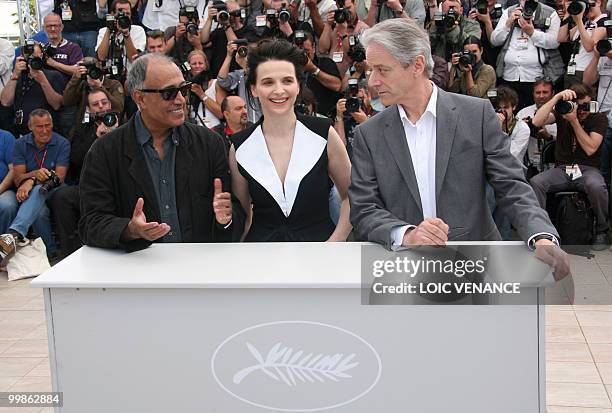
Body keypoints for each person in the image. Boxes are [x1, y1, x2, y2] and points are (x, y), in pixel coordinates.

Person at [349, 18, 570, 279]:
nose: (372, 81)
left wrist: (541, 235)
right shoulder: (368, 134)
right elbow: (364, 209)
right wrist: (408, 234)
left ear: (417, 65)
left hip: (476, 266)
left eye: (382, 70)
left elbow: (511, 184)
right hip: (402, 269)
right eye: (370, 70)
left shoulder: (476, 115)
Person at [79, 53, 243, 251]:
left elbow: (232, 211)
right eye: (169, 93)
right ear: (140, 97)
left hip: (199, 269)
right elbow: (91, 223)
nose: (180, 100)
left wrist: (225, 219)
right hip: (140, 271)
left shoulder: (209, 144)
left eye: (183, 89)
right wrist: (130, 230)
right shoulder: (104, 151)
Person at [228, 39, 352, 242]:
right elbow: (243, 216)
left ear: (298, 86)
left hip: (320, 255)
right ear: (254, 89)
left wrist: (335, 242)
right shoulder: (240, 146)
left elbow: (351, 196)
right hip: (262, 257)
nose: (279, 90)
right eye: (268, 82)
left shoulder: (323, 133)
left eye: (287, 81)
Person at [530, 83, 609, 249]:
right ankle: (541, 230)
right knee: (537, 182)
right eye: (577, 106)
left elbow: (590, 148)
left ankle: (602, 229)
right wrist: (557, 98)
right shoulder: (563, 112)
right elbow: (537, 121)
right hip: (562, 169)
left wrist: (574, 122)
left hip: (588, 169)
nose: (581, 111)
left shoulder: (598, 117)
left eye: (586, 106)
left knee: (596, 186)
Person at [52, 88, 119, 258]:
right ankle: (70, 254)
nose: (101, 107)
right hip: (91, 188)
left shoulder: (125, 126)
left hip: (119, 187)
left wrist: (115, 136)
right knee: (62, 197)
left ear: (110, 104)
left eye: (104, 102)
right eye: (96, 104)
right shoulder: (83, 130)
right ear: (89, 109)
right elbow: (76, 160)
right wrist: (96, 138)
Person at [0, 109, 70, 263]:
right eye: (39, 126)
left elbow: (59, 177)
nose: (45, 130)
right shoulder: (20, 144)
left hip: (55, 191)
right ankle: (51, 252)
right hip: (31, 195)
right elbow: (18, 179)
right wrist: (34, 176)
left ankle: (14, 234)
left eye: (48, 125)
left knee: (39, 189)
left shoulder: (62, 143)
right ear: (30, 126)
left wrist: (31, 181)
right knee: (39, 213)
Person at [490, 0, 562, 109]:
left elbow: (554, 42)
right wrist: (508, 24)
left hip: (535, 77)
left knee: (532, 113)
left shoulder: (549, 13)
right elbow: (494, 40)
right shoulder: (509, 12)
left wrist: (532, 32)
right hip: (509, 75)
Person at [0, 43, 64, 136]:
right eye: (28, 57)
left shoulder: (53, 75)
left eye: (35, 57)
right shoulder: (17, 77)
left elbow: (57, 105)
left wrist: (43, 81)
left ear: (41, 56)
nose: (31, 60)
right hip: (21, 133)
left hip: (45, 132)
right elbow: (5, 102)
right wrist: (15, 75)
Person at [62, 56, 125, 139]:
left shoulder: (113, 84)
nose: (91, 72)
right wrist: (75, 78)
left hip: (110, 125)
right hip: (85, 128)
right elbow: (66, 101)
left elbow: (119, 108)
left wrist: (100, 87)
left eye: (94, 68)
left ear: (100, 67)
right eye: (87, 69)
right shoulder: (82, 84)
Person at [516, 76, 557, 170]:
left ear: (553, 93)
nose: (541, 96)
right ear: (533, 94)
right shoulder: (523, 113)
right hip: (528, 163)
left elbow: (566, 144)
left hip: (554, 164)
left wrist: (548, 137)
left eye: (545, 92)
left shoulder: (559, 113)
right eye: (538, 92)